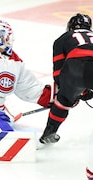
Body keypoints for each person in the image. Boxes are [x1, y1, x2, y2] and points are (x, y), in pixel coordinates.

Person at [38, 13, 93, 178]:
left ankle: (49, 131)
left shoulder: (62, 38)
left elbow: (58, 75)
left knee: (63, 101)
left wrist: (72, 93)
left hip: (75, 67)